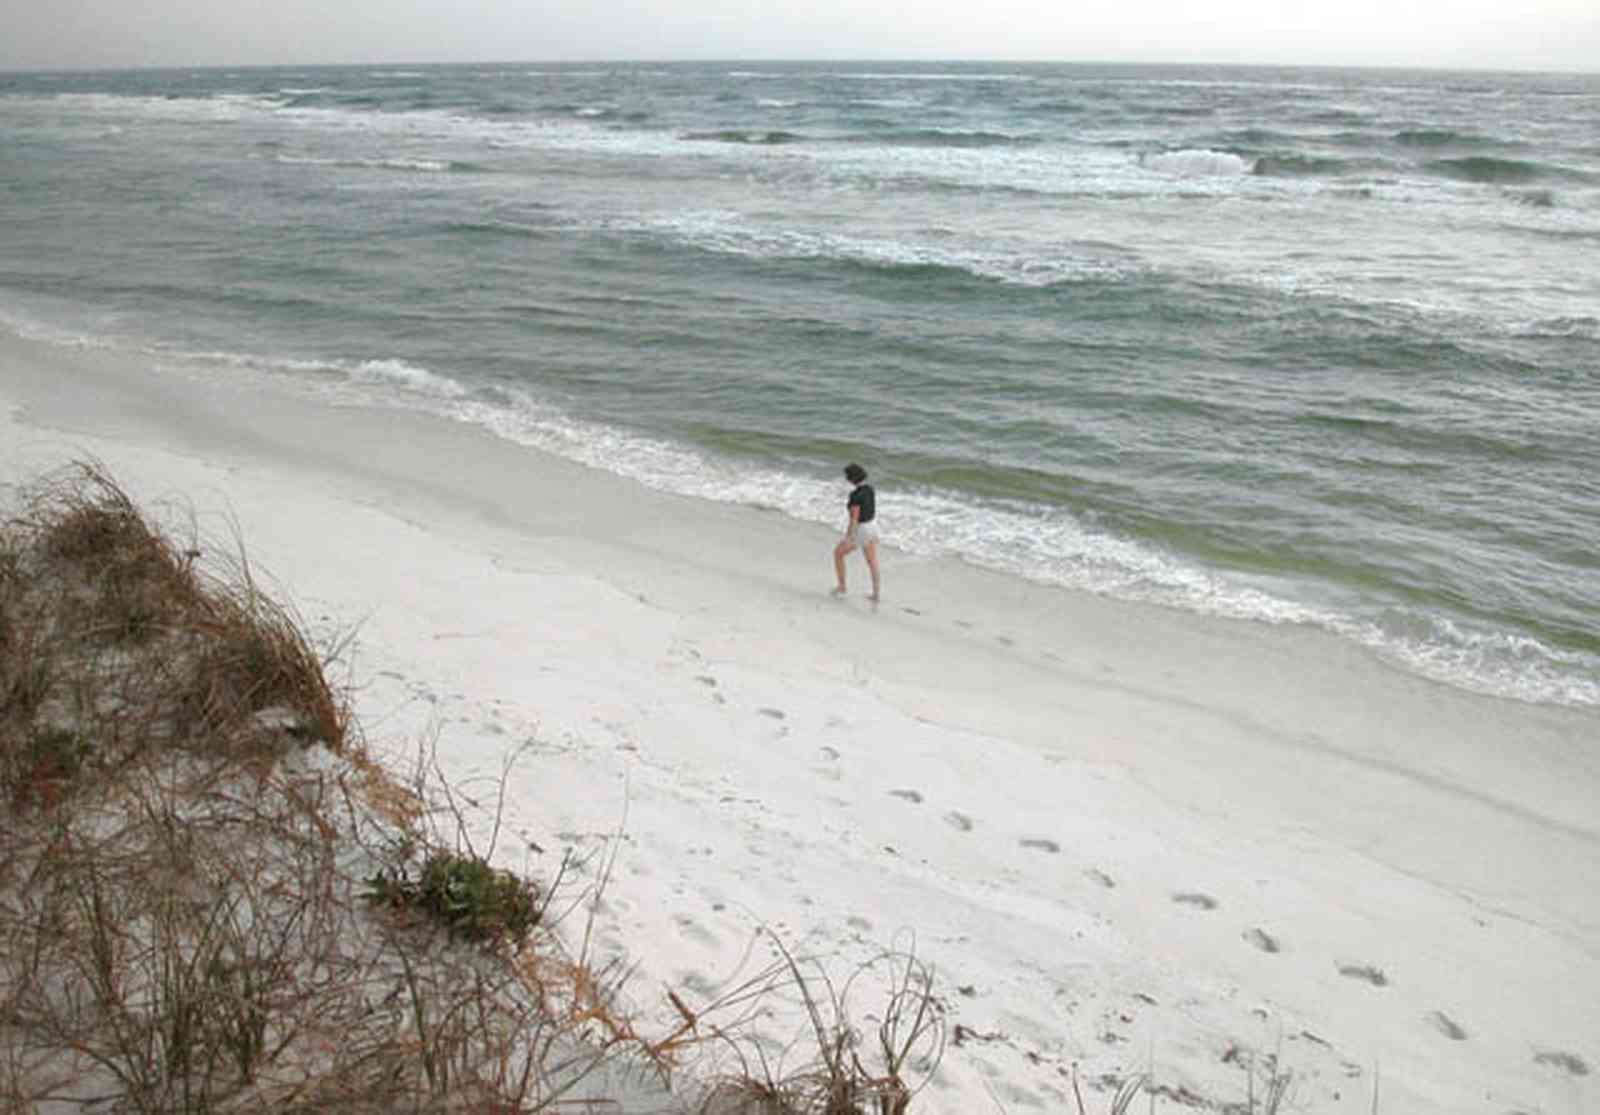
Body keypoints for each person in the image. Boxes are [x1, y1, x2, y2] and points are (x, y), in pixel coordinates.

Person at [831, 462, 881, 602]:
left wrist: (849, 536)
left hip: (862, 529)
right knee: (872, 561)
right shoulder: (870, 489)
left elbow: (854, 518)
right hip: (872, 526)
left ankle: (842, 586)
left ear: (851, 478)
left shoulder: (855, 495)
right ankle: (876, 593)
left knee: (838, 554)